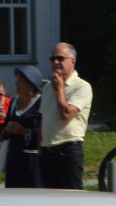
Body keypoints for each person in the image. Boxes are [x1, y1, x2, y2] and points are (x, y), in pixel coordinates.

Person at [38, 42, 92, 189]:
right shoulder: (47, 87)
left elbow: (66, 114)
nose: (55, 62)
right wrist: (40, 150)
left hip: (67, 151)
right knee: (49, 199)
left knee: (72, 198)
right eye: (52, 59)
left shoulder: (82, 86)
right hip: (47, 153)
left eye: (60, 58)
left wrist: (59, 90)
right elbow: (43, 118)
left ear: (72, 61)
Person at [0, 66, 43, 189]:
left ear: (31, 84)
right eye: (17, 80)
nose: (17, 84)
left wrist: (22, 130)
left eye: (21, 81)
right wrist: (7, 130)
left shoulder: (40, 103)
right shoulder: (13, 102)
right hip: (14, 159)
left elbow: (43, 133)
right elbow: (4, 131)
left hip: (32, 161)